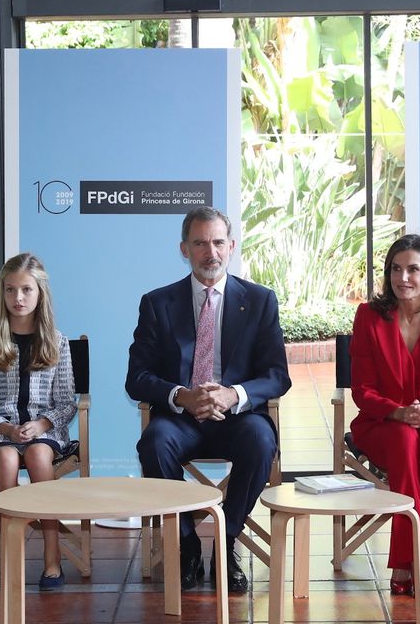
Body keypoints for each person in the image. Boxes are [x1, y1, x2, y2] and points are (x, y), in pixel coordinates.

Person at [126, 206, 291, 594]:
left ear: (231, 246)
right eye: (200, 243)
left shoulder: (260, 300)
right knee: (153, 442)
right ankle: (186, 543)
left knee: (261, 440)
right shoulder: (157, 303)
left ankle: (227, 540)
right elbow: (137, 378)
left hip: (236, 417)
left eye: (218, 242)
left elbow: (277, 375)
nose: (210, 252)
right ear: (184, 249)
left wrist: (235, 394)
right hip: (182, 418)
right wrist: (182, 396)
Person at [349, 234, 420, 600]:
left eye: (413, 269)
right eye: (396, 269)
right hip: (381, 423)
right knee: (403, 438)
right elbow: (362, 391)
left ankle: (406, 561)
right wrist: (400, 412)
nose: (403, 278)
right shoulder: (368, 316)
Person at [0, 253, 76, 592]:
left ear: (40, 293)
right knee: (6, 458)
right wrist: (5, 428)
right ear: (2, 293)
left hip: (45, 430)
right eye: (11, 290)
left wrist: (42, 425)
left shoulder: (56, 341)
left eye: (26, 290)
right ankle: (10, 558)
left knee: (39, 457)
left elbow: (67, 403)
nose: (18, 298)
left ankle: (52, 557)